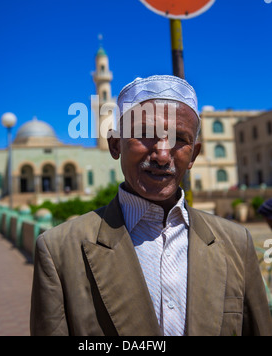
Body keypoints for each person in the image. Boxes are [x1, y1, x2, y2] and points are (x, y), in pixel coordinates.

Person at [30, 75, 272, 336]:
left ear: (194, 154)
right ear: (115, 145)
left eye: (179, 139)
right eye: (145, 135)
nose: (163, 155)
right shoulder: (60, 251)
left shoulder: (236, 243)